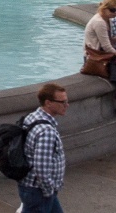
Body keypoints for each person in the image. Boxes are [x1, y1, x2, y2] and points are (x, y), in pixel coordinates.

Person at [18, 82, 68, 213]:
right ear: (48, 103)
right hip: (39, 191)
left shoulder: (32, 117)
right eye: (62, 102)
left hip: (32, 187)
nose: (66, 105)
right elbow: (41, 168)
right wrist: (49, 191)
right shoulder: (46, 132)